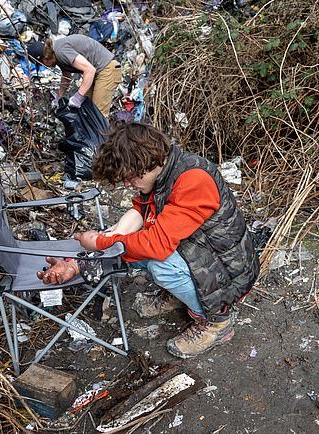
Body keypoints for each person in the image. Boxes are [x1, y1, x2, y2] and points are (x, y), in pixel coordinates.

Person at [37, 122, 259, 358]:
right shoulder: (165, 171)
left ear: (145, 163)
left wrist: (102, 243)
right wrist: (80, 261)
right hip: (202, 253)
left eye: (129, 178)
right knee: (132, 244)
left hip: (231, 272)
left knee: (159, 264)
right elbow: (139, 214)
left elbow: (157, 245)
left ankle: (217, 321)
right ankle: (183, 294)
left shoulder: (193, 180)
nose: (126, 185)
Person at [38, 34, 121, 118]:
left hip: (107, 69)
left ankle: (102, 131)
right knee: (86, 110)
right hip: (97, 72)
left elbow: (89, 70)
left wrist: (78, 97)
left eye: (42, 64)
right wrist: (59, 97)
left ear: (45, 58)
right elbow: (66, 77)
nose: (44, 66)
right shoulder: (56, 55)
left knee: (98, 114)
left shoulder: (61, 51)